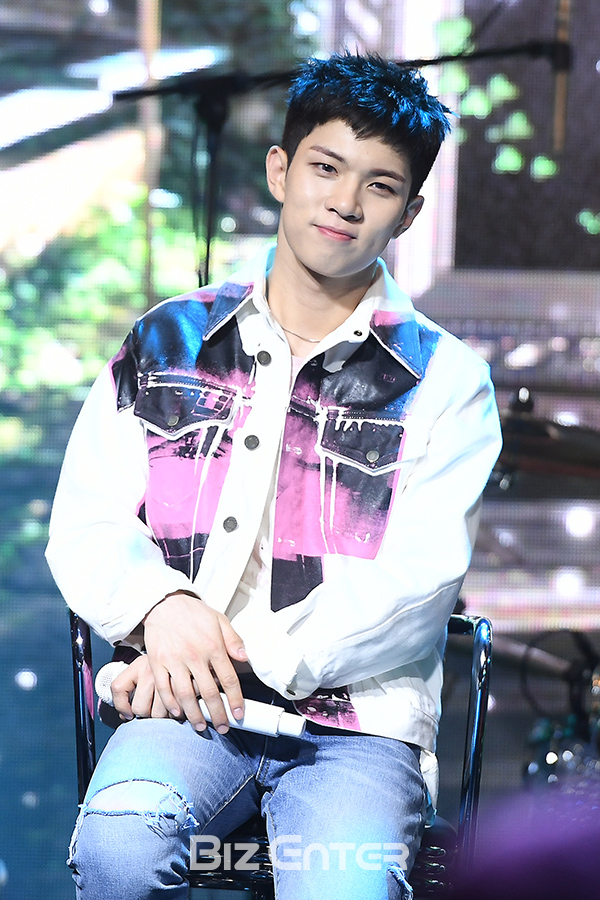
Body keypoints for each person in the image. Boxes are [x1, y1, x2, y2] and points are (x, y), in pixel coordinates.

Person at [46, 51, 502, 900]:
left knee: (339, 886)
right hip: (187, 712)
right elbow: (87, 522)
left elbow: (419, 581)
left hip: (356, 729)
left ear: (408, 213)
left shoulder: (447, 380)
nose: (344, 201)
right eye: (326, 168)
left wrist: (218, 651)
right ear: (281, 171)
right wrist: (161, 608)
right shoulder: (168, 339)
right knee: (119, 852)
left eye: (379, 185)